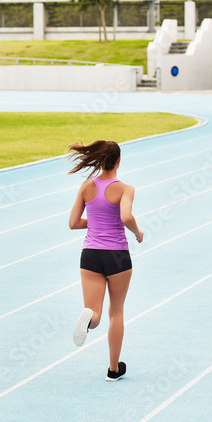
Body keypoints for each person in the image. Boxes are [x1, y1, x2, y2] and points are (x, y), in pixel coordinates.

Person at [66, 140, 144, 381]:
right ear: (119, 161)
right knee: (116, 312)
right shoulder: (125, 189)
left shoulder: (86, 187)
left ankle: (88, 318)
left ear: (99, 161)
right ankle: (113, 369)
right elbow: (125, 216)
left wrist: (97, 221)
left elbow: (73, 223)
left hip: (90, 254)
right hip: (117, 255)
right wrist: (137, 232)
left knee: (96, 312)